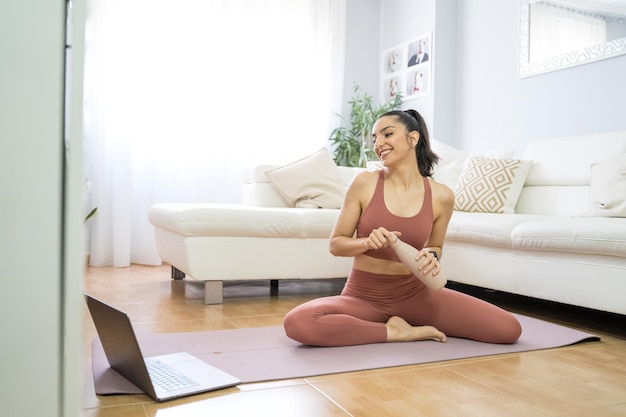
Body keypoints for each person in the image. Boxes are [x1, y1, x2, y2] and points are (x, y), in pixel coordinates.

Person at [283, 109, 522, 347]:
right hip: (363, 296)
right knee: (299, 322)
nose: (379, 143)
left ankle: (396, 324)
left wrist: (432, 255)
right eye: (374, 138)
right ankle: (397, 332)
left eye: (387, 134)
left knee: (508, 330)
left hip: (415, 295)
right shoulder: (364, 183)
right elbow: (336, 245)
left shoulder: (442, 196)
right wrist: (366, 242)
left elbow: (436, 245)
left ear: (413, 138)